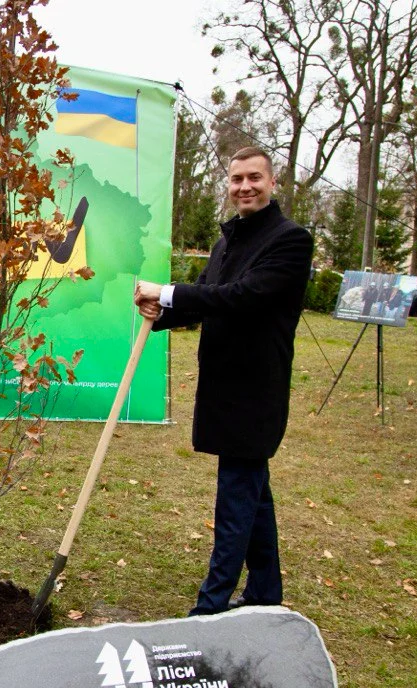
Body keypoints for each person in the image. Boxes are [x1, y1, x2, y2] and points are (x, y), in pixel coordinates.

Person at [134, 146, 313, 616]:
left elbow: (243, 297)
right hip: (222, 384)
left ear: (273, 183)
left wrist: (168, 291)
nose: (244, 187)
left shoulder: (291, 240)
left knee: (235, 501)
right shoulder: (227, 241)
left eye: (254, 177)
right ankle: (266, 592)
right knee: (253, 494)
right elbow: (206, 300)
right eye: (236, 180)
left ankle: (209, 610)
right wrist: (163, 313)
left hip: (257, 389)